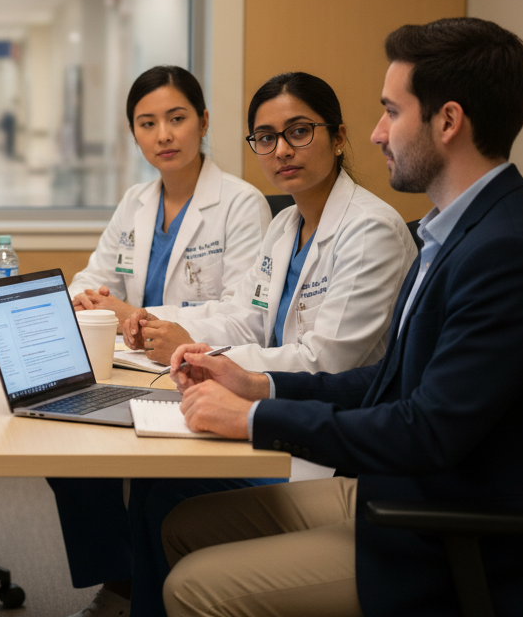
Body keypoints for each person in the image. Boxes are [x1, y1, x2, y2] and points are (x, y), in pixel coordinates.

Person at [157, 18, 523, 617]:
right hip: (400, 491)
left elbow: (425, 431)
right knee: (181, 525)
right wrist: (257, 384)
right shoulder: (457, 233)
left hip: (444, 531)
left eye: (392, 111)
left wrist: (256, 418)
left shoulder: (507, 252)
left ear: (447, 121)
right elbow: (388, 381)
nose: (377, 132)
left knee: (192, 586)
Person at [121, 71, 418, 616]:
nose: (281, 150)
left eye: (299, 131)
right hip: (278, 413)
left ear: (340, 137)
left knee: (165, 488)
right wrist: (160, 326)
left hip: (330, 441)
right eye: (265, 137)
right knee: (154, 486)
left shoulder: (371, 231)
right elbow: (245, 317)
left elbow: (325, 362)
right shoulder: (287, 225)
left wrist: (209, 357)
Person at [50, 66, 272, 617]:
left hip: (193, 372)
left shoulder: (242, 205)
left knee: (153, 475)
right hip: (128, 367)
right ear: (135, 134)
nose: (164, 135)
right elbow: (90, 279)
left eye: (176, 118)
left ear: (202, 121)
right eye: (147, 124)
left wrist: (135, 314)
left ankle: (142, 587)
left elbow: (244, 316)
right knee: (64, 447)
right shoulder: (136, 202)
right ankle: (122, 579)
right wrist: (92, 299)